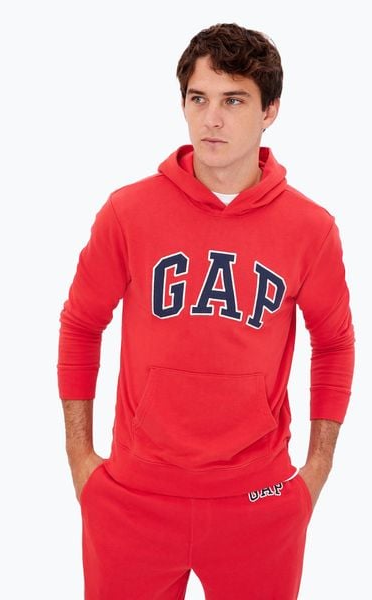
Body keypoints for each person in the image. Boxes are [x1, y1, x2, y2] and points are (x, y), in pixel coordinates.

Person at [58, 22, 355, 599]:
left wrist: (315, 470)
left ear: (270, 111)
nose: (211, 119)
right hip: (134, 498)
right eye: (199, 99)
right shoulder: (127, 213)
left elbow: (335, 343)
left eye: (233, 101)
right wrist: (79, 457)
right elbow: (81, 324)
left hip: (259, 502)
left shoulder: (311, 229)